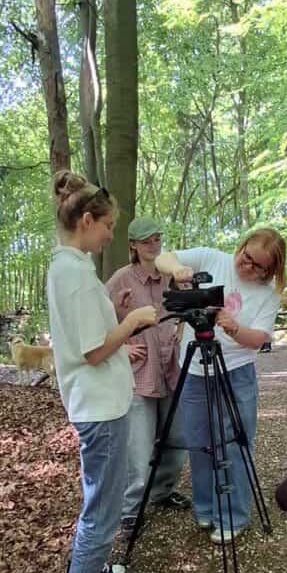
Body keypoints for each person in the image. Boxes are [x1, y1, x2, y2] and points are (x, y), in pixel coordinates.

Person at [47, 173, 157, 573]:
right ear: (87, 220)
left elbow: (87, 339)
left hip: (97, 402)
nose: (113, 235)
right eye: (108, 225)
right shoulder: (72, 274)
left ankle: (85, 569)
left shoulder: (71, 268)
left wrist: (117, 326)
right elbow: (92, 350)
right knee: (104, 505)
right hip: (100, 408)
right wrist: (131, 321)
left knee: (99, 496)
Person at [155, 229, 286, 543]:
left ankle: (232, 515)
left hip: (236, 373)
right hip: (195, 371)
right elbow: (162, 256)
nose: (248, 267)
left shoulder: (268, 294)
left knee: (233, 443)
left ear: (271, 271)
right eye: (247, 256)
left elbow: (260, 340)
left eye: (259, 267)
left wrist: (236, 328)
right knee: (200, 444)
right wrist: (177, 270)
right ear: (241, 247)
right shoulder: (212, 258)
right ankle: (205, 508)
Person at [105, 215, 190, 538]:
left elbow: (187, 309)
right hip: (140, 375)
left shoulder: (171, 275)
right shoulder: (121, 279)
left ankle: (163, 492)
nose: (154, 244)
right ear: (133, 246)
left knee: (175, 440)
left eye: (157, 238)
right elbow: (97, 320)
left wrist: (180, 327)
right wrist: (121, 347)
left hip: (172, 368)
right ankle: (130, 511)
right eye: (147, 240)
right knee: (138, 450)